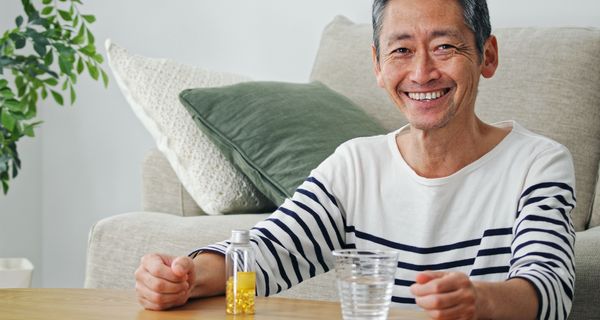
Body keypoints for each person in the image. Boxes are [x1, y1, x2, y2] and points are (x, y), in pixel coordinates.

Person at [134, 0, 576, 319]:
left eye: (444, 47)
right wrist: (185, 274)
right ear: (378, 65)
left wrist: (479, 302)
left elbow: (549, 289)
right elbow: (268, 251)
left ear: (487, 56)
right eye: (401, 50)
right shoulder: (354, 166)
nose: (422, 72)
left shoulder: (537, 164)